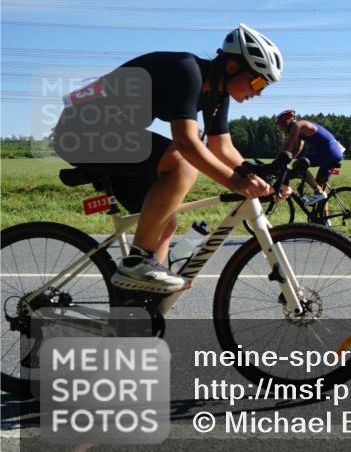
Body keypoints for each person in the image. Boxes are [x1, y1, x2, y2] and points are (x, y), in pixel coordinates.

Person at [53, 24, 286, 294]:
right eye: (258, 81)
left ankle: (142, 296)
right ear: (233, 66)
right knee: (180, 160)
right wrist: (236, 182)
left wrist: (261, 177)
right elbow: (187, 142)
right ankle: (137, 261)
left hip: (113, 136)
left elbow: (222, 147)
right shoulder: (187, 71)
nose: (259, 92)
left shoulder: (217, 95)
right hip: (80, 131)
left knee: (165, 223)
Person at [275, 110, 345, 210]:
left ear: (286, 122)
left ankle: (318, 191)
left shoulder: (297, 126)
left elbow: (289, 146)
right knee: (321, 189)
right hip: (334, 152)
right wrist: (285, 162)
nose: (281, 129)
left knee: (298, 165)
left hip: (329, 152)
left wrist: (276, 163)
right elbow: (297, 149)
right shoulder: (300, 128)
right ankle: (324, 222)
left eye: (281, 126)